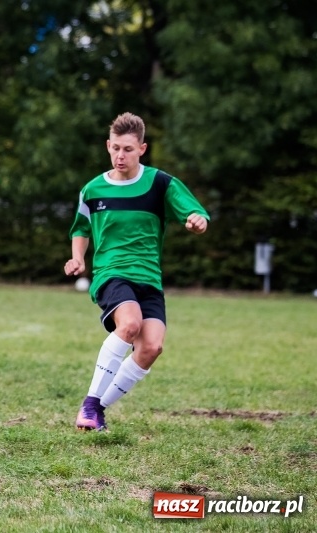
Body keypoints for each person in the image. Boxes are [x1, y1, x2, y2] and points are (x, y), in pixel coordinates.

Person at [64, 112, 209, 431]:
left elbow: (195, 211)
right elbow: (81, 228)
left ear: (142, 148)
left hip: (149, 278)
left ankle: (97, 410)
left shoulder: (160, 183)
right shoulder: (93, 190)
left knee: (151, 347)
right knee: (130, 324)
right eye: (115, 148)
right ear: (107, 145)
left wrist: (197, 221)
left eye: (128, 149)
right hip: (111, 273)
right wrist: (78, 258)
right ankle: (90, 403)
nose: (120, 155)